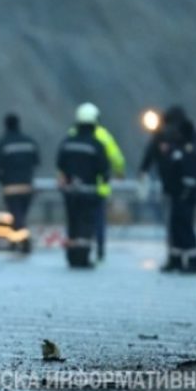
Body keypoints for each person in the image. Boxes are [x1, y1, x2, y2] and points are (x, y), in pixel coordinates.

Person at [56, 107, 110, 268]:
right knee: (85, 225)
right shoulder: (96, 145)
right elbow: (104, 169)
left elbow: (60, 164)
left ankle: (72, 256)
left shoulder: (67, 142)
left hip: (70, 192)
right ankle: (83, 257)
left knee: (72, 223)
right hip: (88, 191)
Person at [72, 103, 125, 261]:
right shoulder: (103, 135)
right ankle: (100, 249)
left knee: (77, 219)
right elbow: (116, 158)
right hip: (99, 187)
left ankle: (77, 250)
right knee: (98, 220)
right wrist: (119, 172)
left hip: (75, 187)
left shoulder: (73, 134)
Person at [159, 121, 196, 273]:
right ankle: (176, 259)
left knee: (186, 229)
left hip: (185, 197)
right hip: (176, 196)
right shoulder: (177, 149)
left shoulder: (189, 151)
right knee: (175, 229)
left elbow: (190, 178)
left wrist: (184, 195)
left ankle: (193, 262)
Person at [0, 113, 40, 254]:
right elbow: (36, 162)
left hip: (10, 187)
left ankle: (23, 241)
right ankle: (15, 241)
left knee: (16, 216)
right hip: (27, 186)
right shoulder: (29, 142)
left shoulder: (2, 143)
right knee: (21, 216)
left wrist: (2, 181)